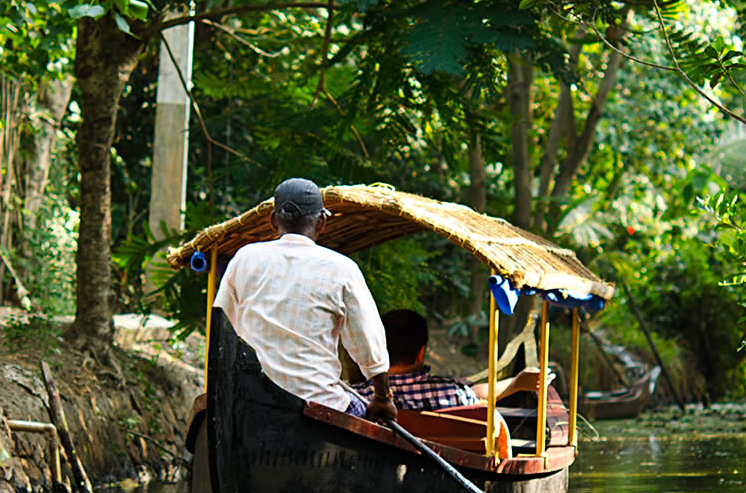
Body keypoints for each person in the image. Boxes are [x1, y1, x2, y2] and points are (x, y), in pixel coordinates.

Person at [212, 178, 396, 424]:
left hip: (250, 399)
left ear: (274, 221)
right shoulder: (342, 268)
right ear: (322, 221)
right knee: (364, 414)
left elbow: (222, 326)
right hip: (319, 403)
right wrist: (382, 398)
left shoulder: (244, 258)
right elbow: (368, 343)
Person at [356, 308, 545, 411]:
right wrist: (516, 384)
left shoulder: (358, 396)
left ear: (378, 349)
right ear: (422, 352)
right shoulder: (451, 393)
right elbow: (474, 395)